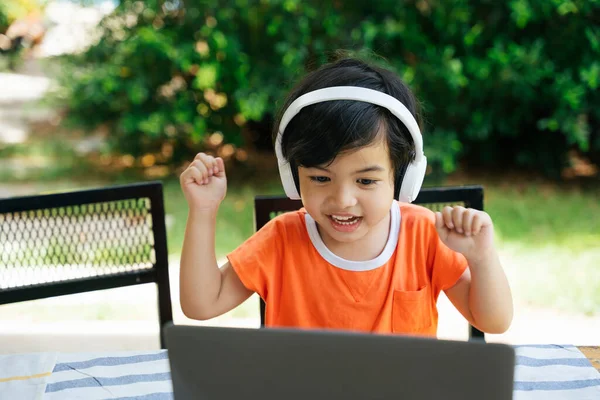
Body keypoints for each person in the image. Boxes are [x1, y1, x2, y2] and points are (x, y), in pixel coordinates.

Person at [178, 57, 513, 337]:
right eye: (321, 178)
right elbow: (202, 304)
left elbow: (493, 322)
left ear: (403, 177)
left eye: (366, 180)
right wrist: (204, 210)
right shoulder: (280, 241)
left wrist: (481, 259)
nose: (342, 200)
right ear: (292, 177)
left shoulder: (424, 236)